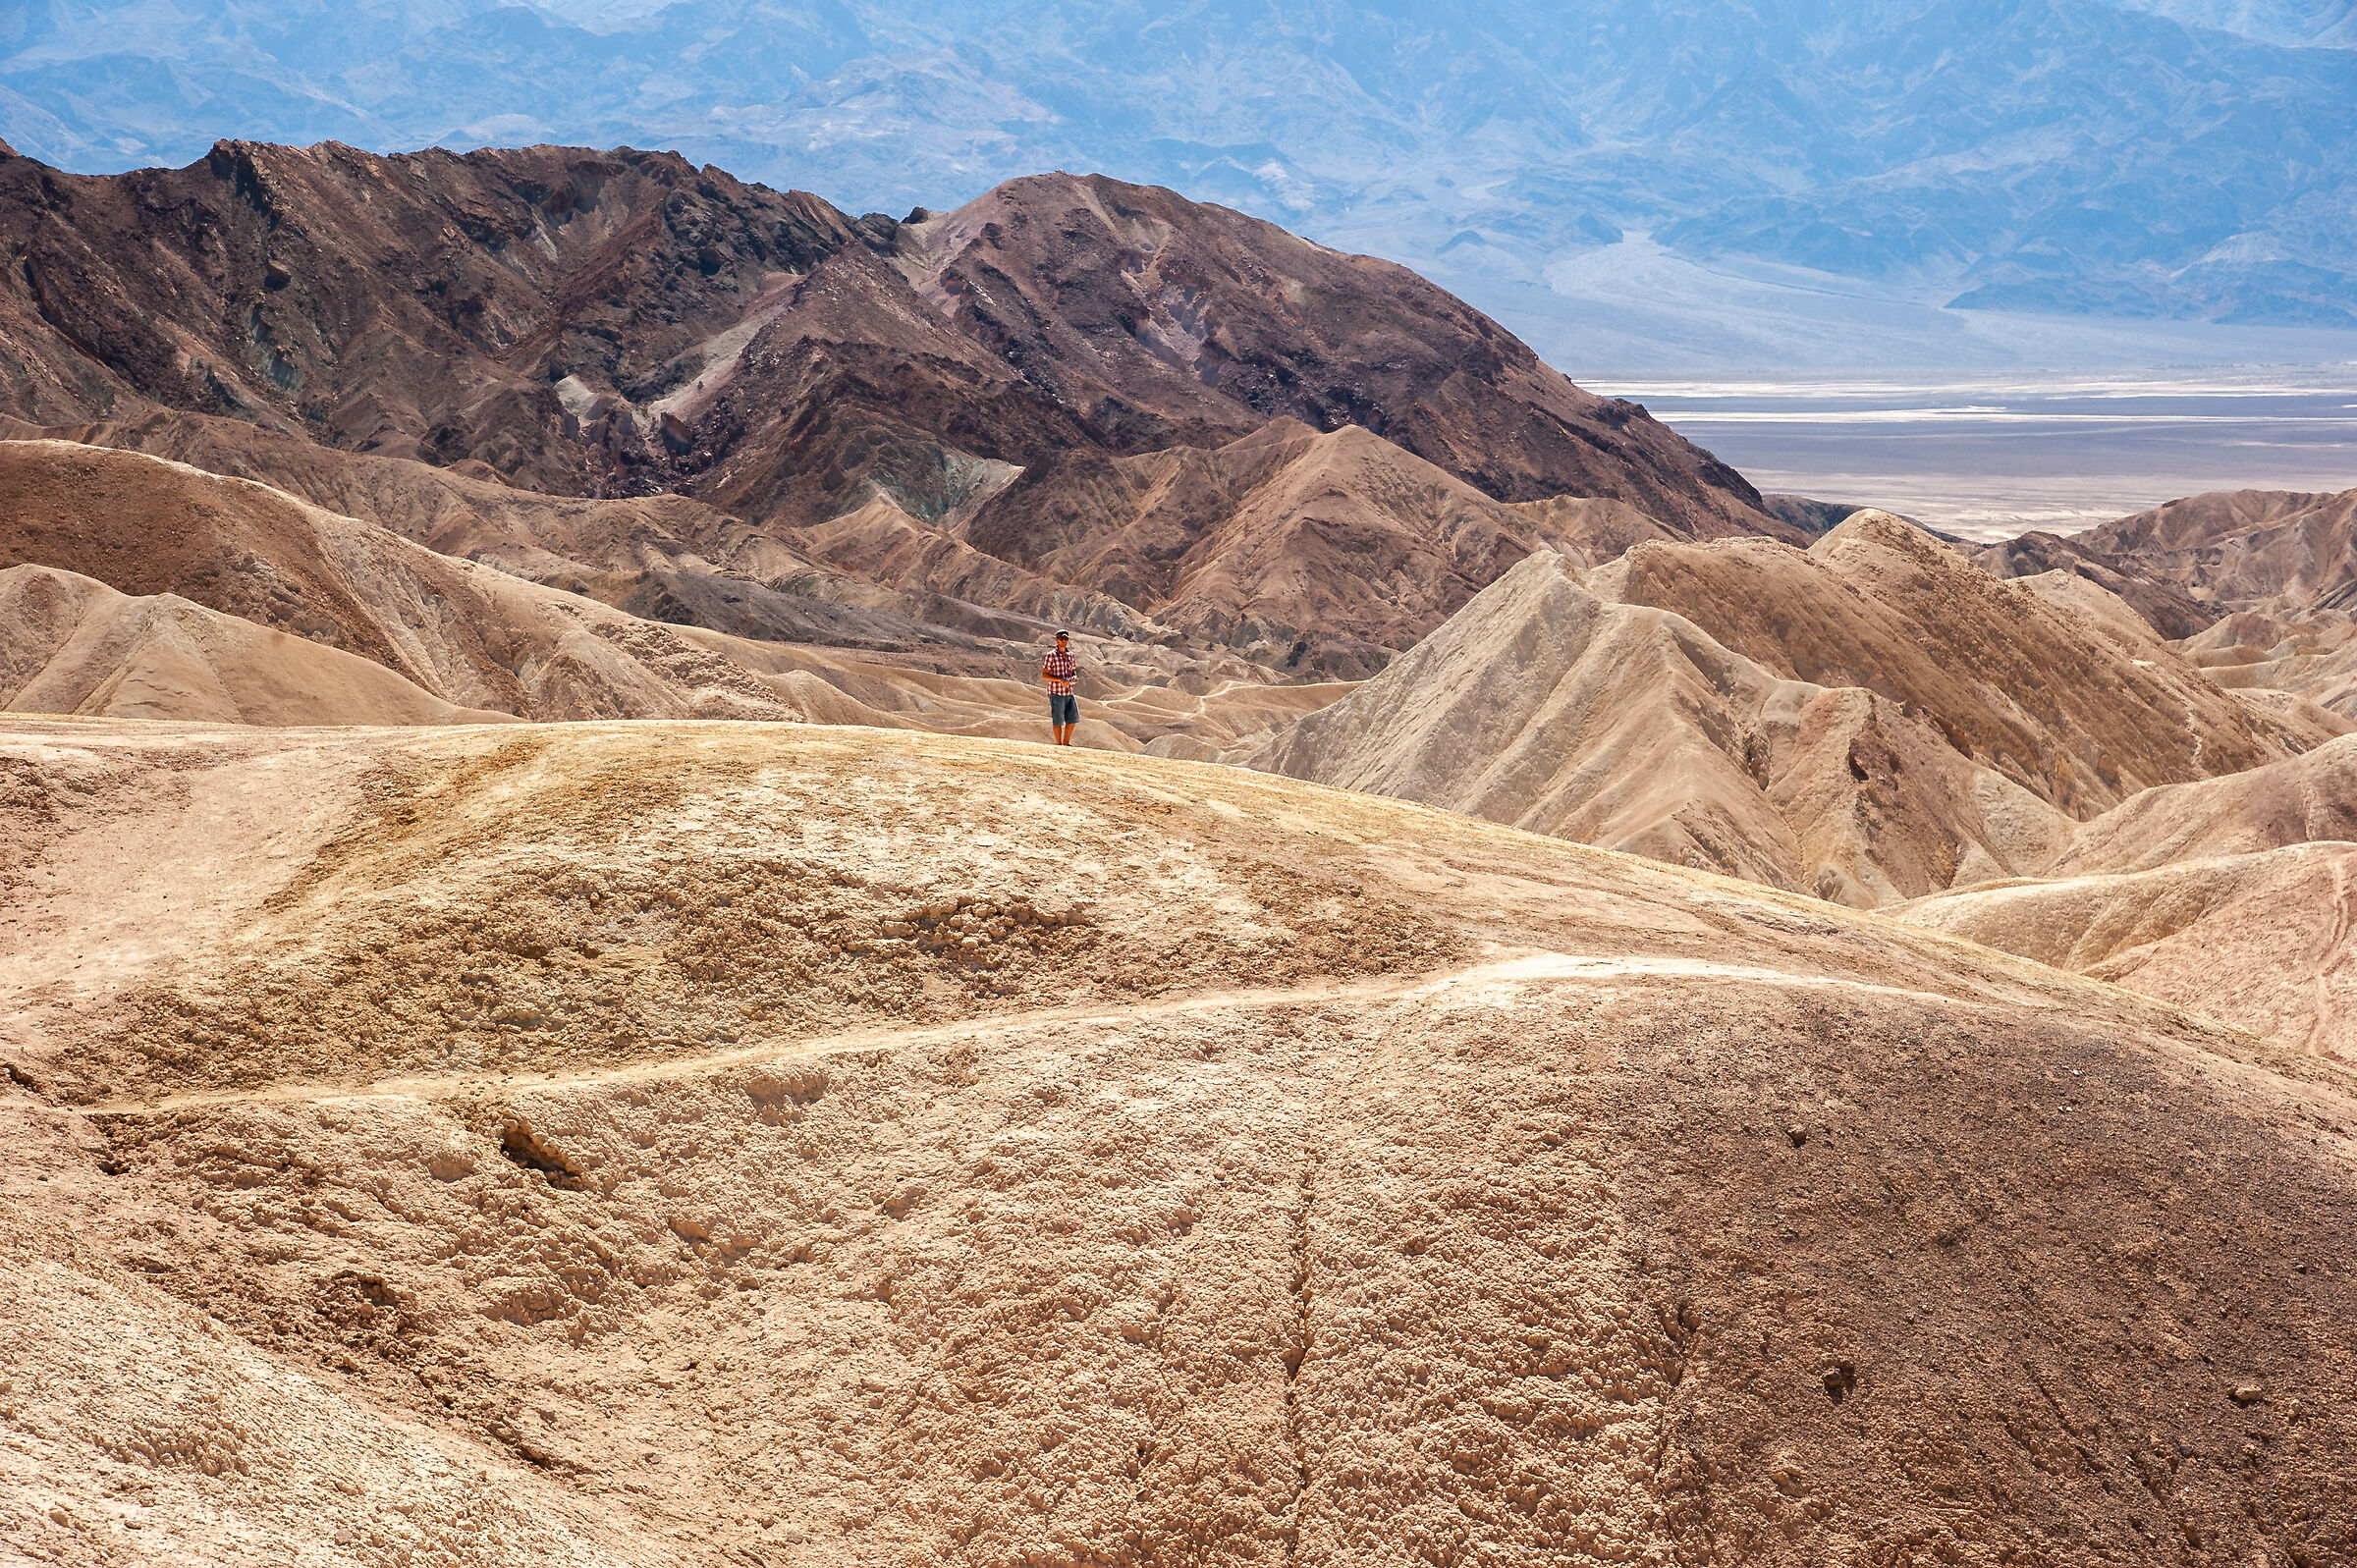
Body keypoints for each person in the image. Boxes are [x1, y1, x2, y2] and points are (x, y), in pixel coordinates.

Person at [1041, 630, 1078, 746]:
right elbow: (1045, 675)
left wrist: (1074, 677)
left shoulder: (1071, 655)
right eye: (1062, 639)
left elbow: (1072, 670)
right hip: (1056, 691)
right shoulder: (1051, 655)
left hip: (1068, 691)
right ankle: (1058, 745)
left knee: (1072, 719)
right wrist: (1060, 680)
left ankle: (1066, 743)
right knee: (1058, 720)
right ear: (1056, 639)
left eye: (1066, 639)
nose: (1064, 641)